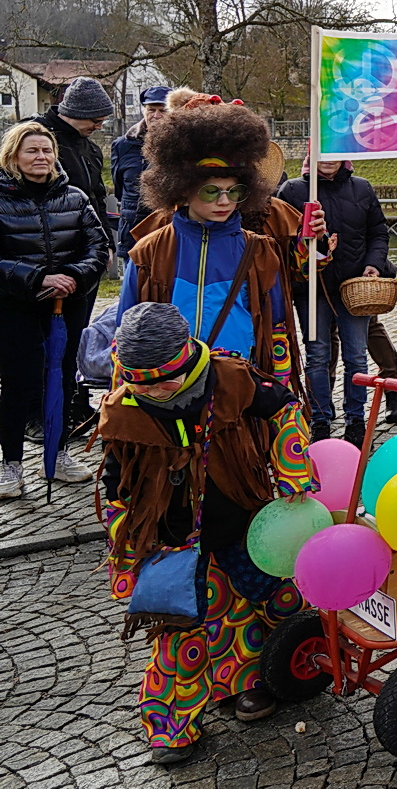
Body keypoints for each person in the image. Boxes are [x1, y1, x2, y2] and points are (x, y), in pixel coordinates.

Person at [98, 301, 315, 765]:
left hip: (243, 520)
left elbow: (285, 408)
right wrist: (126, 540)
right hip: (174, 540)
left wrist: (294, 473)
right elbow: (115, 484)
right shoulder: (122, 411)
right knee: (182, 630)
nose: (160, 389)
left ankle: (259, 679)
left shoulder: (230, 376)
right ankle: (171, 726)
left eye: (169, 378)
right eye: (145, 383)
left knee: (269, 598)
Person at [118, 104, 300, 392]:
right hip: (168, 386)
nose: (225, 202)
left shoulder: (261, 252)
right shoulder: (149, 253)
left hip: (239, 381)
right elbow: (126, 329)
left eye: (235, 191)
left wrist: (278, 397)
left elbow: (276, 330)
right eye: (211, 191)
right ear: (182, 189)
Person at [0, 122, 110, 497]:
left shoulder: (75, 197)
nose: (41, 158)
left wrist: (72, 276)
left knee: (63, 379)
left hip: (68, 304)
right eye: (32, 151)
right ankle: (11, 465)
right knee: (18, 384)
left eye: (46, 151)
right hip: (16, 306)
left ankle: (58, 452)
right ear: (13, 155)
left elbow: (99, 247)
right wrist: (37, 279)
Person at [276, 158, 389, 445]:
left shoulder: (362, 188)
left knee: (356, 356)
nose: (328, 159)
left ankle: (356, 420)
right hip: (311, 289)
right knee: (317, 355)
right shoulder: (292, 191)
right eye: (321, 153)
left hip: (353, 288)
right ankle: (320, 419)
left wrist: (373, 264)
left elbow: (378, 232)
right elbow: (281, 239)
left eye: (333, 152)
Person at [29, 74, 113, 238]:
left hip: (84, 244)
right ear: (76, 112)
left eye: (103, 121)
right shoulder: (34, 138)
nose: (99, 127)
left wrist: (107, 241)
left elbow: (97, 199)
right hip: (39, 242)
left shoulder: (92, 150)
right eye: (96, 121)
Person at [112, 85, 171, 260]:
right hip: (133, 231)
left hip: (169, 230)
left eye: (163, 110)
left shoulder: (183, 145)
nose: (156, 115)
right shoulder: (123, 145)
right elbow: (119, 188)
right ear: (143, 110)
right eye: (151, 110)